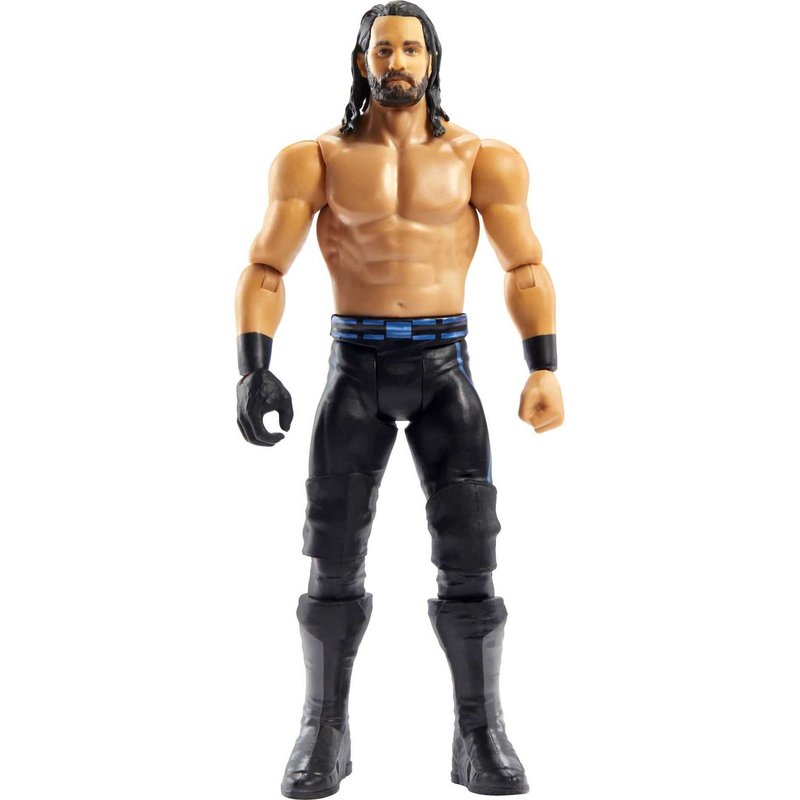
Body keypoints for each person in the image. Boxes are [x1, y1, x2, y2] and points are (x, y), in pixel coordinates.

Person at [234, 3, 564, 797]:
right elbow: (267, 268)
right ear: (363, 61)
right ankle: (324, 727)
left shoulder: (483, 159)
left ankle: (480, 732)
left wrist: (543, 367)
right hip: (354, 365)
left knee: (471, 551)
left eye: (411, 48)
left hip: (446, 364)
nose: (398, 62)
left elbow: (523, 266)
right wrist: (253, 366)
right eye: (384, 49)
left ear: (431, 59)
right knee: (331, 551)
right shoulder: (314, 160)